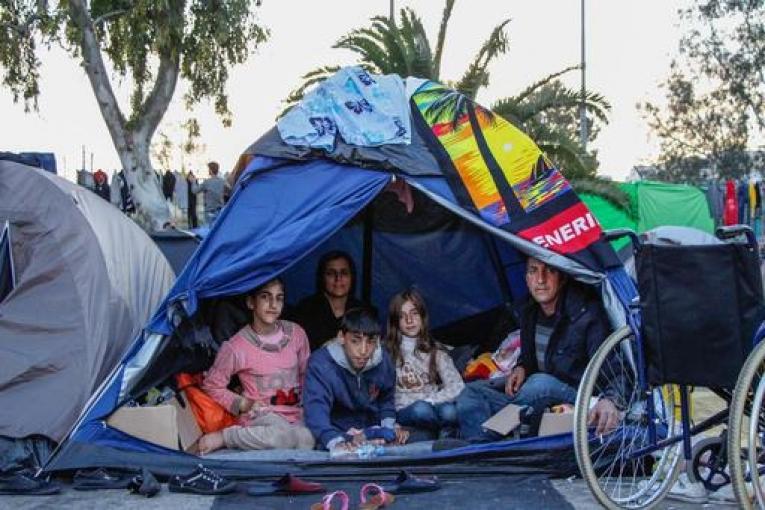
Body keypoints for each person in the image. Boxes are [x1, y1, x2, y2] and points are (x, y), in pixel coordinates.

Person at [456, 257, 619, 441]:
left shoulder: (585, 314)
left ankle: (496, 435)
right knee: (472, 391)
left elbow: (614, 368)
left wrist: (610, 400)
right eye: (533, 271)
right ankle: (483, 447)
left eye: (549, 271)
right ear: (526, 279)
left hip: (577, 396)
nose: (541, 279)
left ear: (562, 277)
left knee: (539, 385)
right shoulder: (529, 311)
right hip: (532, 397)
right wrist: (522, 366)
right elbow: (533, 358)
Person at [198, 277, 315, 454]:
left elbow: (306, 375)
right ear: (251, 302)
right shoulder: (236, 346)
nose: (273, 304)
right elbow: (212, 385)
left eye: (279, 298)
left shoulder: (296, 334)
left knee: (307, 440)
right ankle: (227, 437)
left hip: (295, 414)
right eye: (265, 297)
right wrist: (243, 403)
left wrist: (309, 408)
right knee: (281, 437)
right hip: (262, 416)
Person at [303, 307, 408, 452]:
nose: (363, 350)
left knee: (415, 437)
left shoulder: (383, 360)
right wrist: (335, 441)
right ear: (341, 337)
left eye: (370, 342)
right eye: (355, 341)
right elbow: (316, 409)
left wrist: (389, 428)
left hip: (372, 429)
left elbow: (386, 399)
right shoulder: (321, 363)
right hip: (335, 431)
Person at [386, 288, 464, 440]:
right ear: (396, 322)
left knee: (450, 411)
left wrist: (432, 399)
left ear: (422, 316)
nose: (410, 320)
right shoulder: (388, 352)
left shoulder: (435, 351)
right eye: (403, 316)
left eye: (414, 313)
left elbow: (457, 386)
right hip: (406, 410)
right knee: (421, 410)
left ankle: (441, 433)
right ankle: (445, 431)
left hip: (433, 404)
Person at [293, 251, 365, 350]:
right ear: (322, 277)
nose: (338, 278)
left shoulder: (364, 312)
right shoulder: (305, 310)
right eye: (331, 273)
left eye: (344, 273)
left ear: (352, 277)